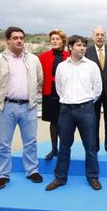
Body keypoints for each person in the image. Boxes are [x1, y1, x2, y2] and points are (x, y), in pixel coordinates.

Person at [0, 26, 43, 190]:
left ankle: (32, 171)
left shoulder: (33, 59)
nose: (19, 41)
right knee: (3, 144)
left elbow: (39, 79)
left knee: (30, 142)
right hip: (6, 108)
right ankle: (3, 175)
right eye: (15, 38)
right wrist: (0, 99)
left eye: (21, 38)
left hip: (28, 107)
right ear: (7, 40)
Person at [45, 35, 102, 191]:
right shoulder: (62, 67)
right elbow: (60, 89)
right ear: (70, 47)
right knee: (64, 147)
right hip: (66, 110)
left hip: (86, 109)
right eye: (79, 45)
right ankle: (60, 178)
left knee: (90, 147)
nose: (82, 47)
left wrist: (86, 101)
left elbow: (97, 89)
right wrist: (70, 100)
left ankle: (93, 178)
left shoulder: (92, 66)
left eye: (84, 45)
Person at [85, 26, 107, 158]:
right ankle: (94, 148)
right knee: (93, 122)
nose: (99, 37)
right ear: (93, 36)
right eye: (97, 34)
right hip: (93, 92)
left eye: (102, 34)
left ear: (105, 36)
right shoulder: (87, 51)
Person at [39, 29, 70, 160]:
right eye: (52, 39)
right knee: (53, 122)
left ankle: (64, 150)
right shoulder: (43, 56)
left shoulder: (69, 55)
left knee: (65, 122)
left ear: (63, 41)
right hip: (49, 92)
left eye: (57, 39)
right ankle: (54, 149)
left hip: (66, 93)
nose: (54, 41)